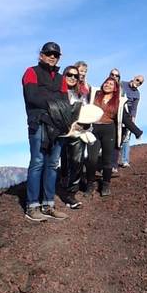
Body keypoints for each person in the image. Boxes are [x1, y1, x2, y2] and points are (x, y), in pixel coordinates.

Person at [22, 42, 69, 222]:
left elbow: (65, 102)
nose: (52, 57)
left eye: (56, 55)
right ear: (41, 55)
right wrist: (55, 103)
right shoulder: (31, 72)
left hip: (57, 126)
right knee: (38, 162)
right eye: (49, 53)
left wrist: (52, 103)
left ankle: (48, 205)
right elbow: (32, 97)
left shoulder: (61, 79)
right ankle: (32, 206)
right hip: (39, 123)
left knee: (52, 164)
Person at [59, 67, 88, 208]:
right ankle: (45, 197)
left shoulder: (80, 94)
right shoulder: (56, 92)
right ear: (63, 75)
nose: (72, 78)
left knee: (77, 162)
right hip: (58, 132)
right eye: (69, 74)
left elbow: (86, 112)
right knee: (55, 161)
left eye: (75, 76)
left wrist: (84, 125)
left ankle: (71, 194)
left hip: (76, 132)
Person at [119, 75, 144, 167]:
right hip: (118, 112)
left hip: (128, 116)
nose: (138, 83)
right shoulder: (122, 84)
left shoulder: (137, 94)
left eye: (140, 83)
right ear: (134, 78)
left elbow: (134, 109)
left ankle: (125, 160)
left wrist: (132, 122)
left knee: (126, 138)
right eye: (137, 80)